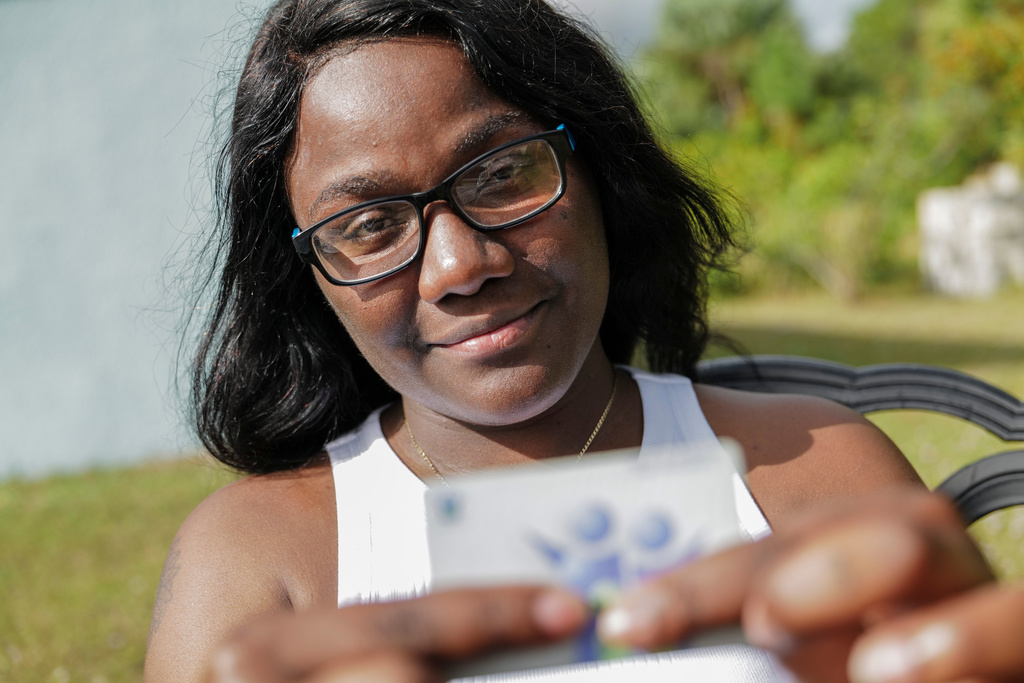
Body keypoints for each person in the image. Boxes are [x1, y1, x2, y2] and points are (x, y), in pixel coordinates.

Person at [143, 0, 926, 681]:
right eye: (369, 225)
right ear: (307, 275)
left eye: (502, 172)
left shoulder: (819, 473)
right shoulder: (253, 565)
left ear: (599, 172)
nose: (458, 265)